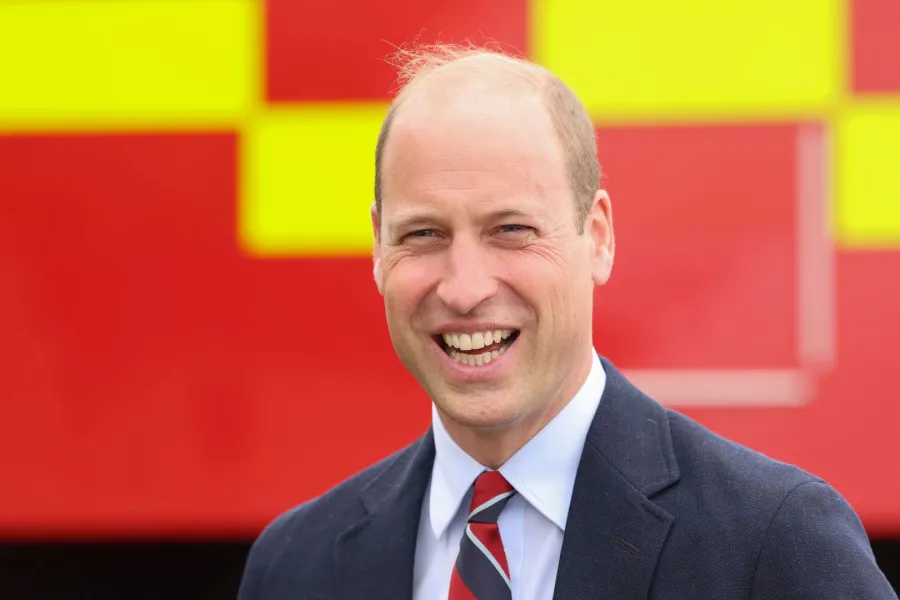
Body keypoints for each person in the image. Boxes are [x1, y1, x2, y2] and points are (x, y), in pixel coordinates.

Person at [237, 44, 897, 600]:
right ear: (380, 247)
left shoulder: (776, 545)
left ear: (599, 237)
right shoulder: (295, 568)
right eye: (425, 233)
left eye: (512, 230)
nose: (464, 288)